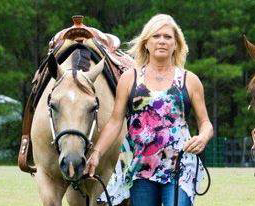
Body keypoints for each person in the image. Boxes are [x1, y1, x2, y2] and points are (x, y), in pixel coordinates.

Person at [84, 14, 213, 206]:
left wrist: (202, 137)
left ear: (176, 44)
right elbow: (115, 122)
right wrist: (96, 153)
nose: (162, 41)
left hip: (180, 165)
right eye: (156, 36)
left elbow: (205, 123)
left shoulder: (190, 80)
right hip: (141, 167)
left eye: (168, 37)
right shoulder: (129, 79)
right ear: (146, 43)